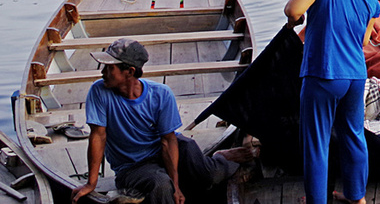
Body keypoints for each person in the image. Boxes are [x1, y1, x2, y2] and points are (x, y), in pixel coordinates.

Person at [71, 39, 257, 204]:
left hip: (163, 149)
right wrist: (91, 183)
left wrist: (176, 186)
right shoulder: (99, 91)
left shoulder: (160, 94)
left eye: (109, 68)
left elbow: (168, 141)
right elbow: (98, 136)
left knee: (206, 171)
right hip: (133, 167)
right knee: (160, 185)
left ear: (129, 72)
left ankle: (221, 158)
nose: (103, 72)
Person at [284, 0, 380, 204]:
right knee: (354, 136)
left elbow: (293, 10)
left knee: (316, 144)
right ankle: (357, 198)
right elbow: (364, 40)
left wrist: (299, 19)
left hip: (323, 74)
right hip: (356, 77)